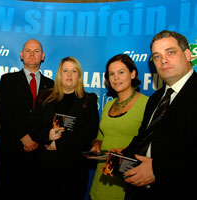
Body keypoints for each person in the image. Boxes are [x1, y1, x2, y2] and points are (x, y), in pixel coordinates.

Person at [110, 30, 197, 200]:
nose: (163, 60)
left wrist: (158, 170)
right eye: (156, 56)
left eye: (170, 52)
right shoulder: (156, 98)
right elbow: (147, 137)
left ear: (188, 55)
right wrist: (125, 154)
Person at [31, 56, 99, 200]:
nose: (69, 75)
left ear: (79, 76)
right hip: (44, 169)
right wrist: (47, 135)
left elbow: (89, 134)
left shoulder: (88, 100)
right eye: (65, 70)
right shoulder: (44, 97)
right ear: (59, 74)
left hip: (73, 170)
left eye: (73, 71)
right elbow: (33, 127)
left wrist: (59, 144)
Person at [0, 39, 54, 200]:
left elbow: (49, 120)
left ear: (43, 56)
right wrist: (23, 137)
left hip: (39, 155)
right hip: (11, 154)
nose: (32, 54)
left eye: (36, 51)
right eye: (28, 50)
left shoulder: (52, 86)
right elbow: (3, 113)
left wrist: (35, 138)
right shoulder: (7, 80)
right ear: (21, 55)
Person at [89, 54, 148, 200]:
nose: (116, 77)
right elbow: (102, 135)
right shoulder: (109, 104)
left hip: (128, 181)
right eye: (111, 74)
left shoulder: (147, 104)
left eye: (121, 72)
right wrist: (97, 143)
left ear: (133, 74)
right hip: (102, 176)